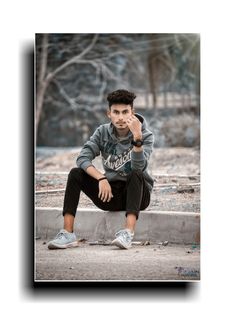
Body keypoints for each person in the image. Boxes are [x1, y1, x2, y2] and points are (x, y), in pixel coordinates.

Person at [48, 89, 154, 250]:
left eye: (125, 112)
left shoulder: (145, 134)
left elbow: (139, 167)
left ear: (132, 112)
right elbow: (82, 158)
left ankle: (127, 233)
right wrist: (101, 178)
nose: (120, 117)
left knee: (135, 172)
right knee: (75, 173)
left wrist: (137, 138)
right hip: (110, 193)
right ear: (109, 113)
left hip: (138, 195)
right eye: (116, 112)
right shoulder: (102, 132)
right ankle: (68, 233)